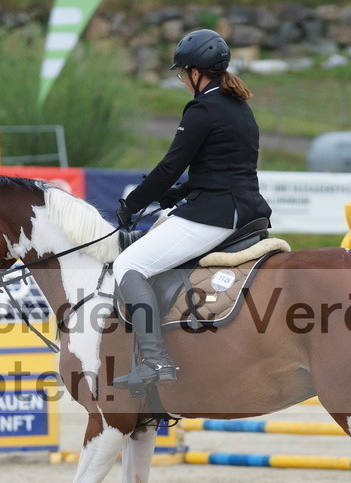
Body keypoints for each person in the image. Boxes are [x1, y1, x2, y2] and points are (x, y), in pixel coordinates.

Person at [111, 29, 272, 393]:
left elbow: (170, 166)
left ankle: (154, 359)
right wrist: (173, 196)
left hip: (216, 215)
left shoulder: (202, 108)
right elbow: (223, 167)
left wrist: (132, 204)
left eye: (184, 73)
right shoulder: (239, 106)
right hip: (245, 210)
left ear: (197, 72)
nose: (184, 80)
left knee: (128, 265)